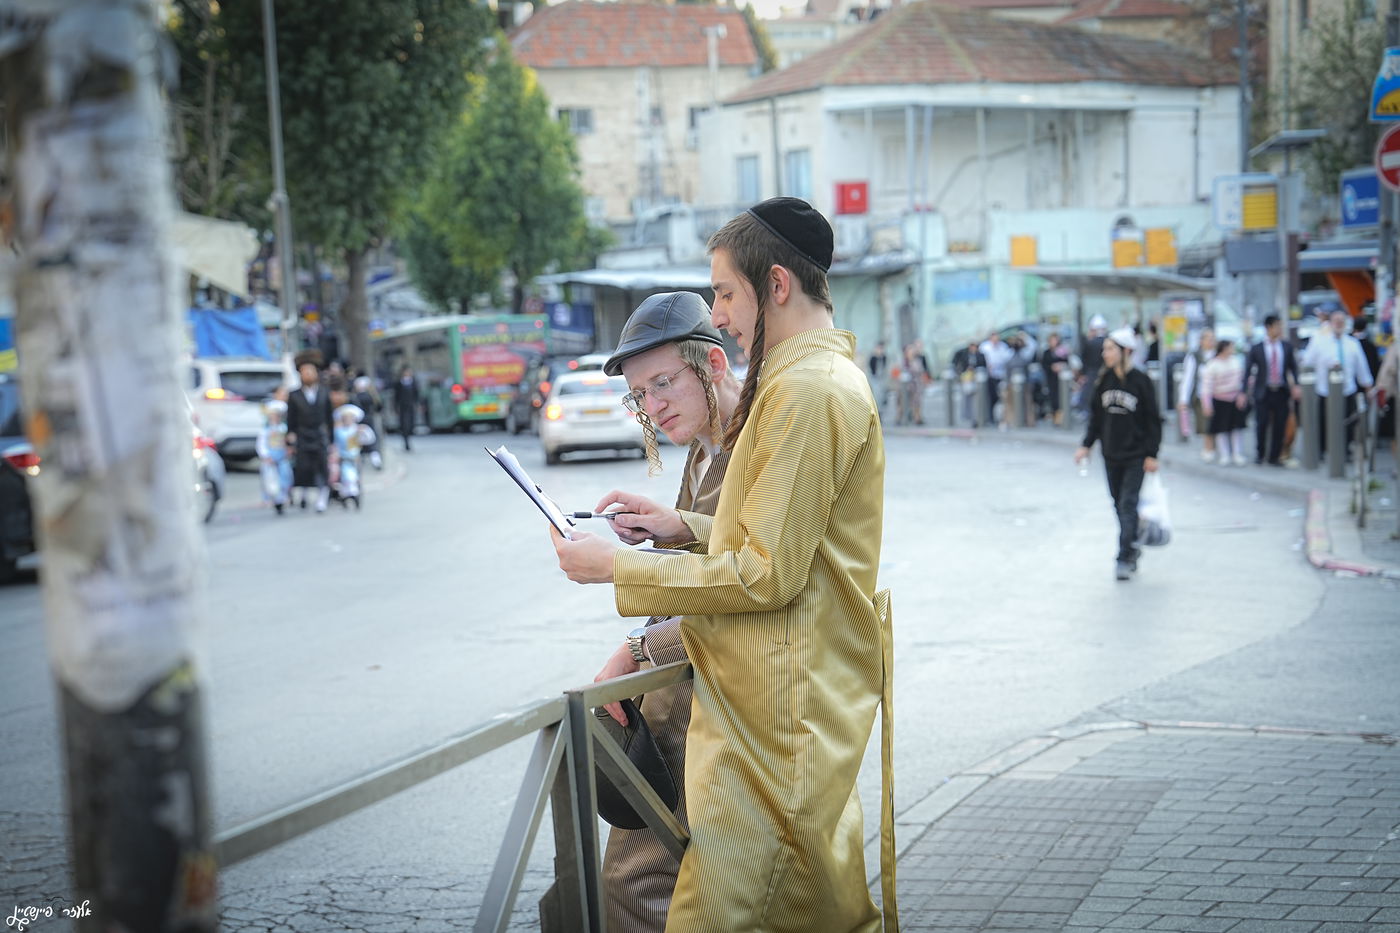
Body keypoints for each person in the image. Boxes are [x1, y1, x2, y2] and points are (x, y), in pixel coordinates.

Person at [551, 197, 896, 933]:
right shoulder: (799, 382)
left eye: (727, 293)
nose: (720, 314)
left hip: (774, 715)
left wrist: (618, 570)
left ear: (776, 285)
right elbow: (779, 546)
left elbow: (765, 573)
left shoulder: (805, 389)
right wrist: (682, 525)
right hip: (771, 707)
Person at [586, 291, 740, 933]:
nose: (652, 406)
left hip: (725, 711)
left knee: (637, 883)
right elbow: (702, 564)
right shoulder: (705, 450)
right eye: (639, 395)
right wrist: (665, 529)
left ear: (713, 362)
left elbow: (743, 588)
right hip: (683, 697)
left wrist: (636, 649)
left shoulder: (750, 448)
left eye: (663, 383)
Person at [1074, 328, 1161, 581]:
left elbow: (1153, 420)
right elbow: (1096, 419)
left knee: (1127, 503)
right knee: (1118, 504)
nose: (1105, 354)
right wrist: (1086, 445)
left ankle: (1123, 557)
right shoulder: (1104, 380)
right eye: (1105, 349)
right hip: (1111, 454)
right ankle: (1132, 545)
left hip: (1136, 455)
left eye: (1110, 349)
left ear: (1125, 351)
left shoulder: (1141, 381)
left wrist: (1152, 454)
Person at [1304, 309, 1375, 460]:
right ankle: (1322, 450)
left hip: (1347, 389)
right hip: (1325, 390)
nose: (1339, 324)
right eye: (1336, 321)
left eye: (1341, 321)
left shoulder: (1352, 343)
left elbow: (1361, 367)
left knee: (1347, 422)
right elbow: (1307, 362)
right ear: (1330, 323)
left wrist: (1368, 386)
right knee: (1324, 421)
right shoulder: (1319, 341)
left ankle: (1345, 451)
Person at [1245, 314, 1300, 466]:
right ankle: (1260, 454)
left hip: (1281, 391)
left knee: (1280, 424)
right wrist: (1244, 391)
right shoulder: (1256, 348)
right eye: (1277, 326)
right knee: (1261, 423)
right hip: (1263, 391)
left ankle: (1274, 456)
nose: (1280, 329)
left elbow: (1293, 368)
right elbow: (1247, 370)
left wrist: (1296, 385)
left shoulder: (1286, 346)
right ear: (1268, 327)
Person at [286, 352, 333, 512]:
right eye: (304, 372)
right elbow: (291, 418)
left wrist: (331, 439)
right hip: (302, 435)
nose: (307, 375)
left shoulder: (324, 392)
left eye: (310, 371)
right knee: (303, 467)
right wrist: (290, 435)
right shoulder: (294, 395)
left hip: (320, 435)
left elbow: (329, 417)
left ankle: (322, 497)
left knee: (322, 466)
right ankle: (304, 494)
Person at [1200, 339, 1249, 466]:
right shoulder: (1213, 364)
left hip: (1235, 399)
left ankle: (1237, 454)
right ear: (1223, 348)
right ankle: (1224, 454)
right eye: (1230, 347)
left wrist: (1242, 395)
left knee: (1236, 428)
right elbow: (1207, 386)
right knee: (1221, 429)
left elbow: (1242, 380)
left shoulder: (1235, 361)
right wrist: (1207, 404)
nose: (1232, 350)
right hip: (1220, 400)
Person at [1176, 327, 1217, 461]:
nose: (1211, 341)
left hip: (1218, 395)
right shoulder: (1194, 356)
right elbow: (1187, 379)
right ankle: (1208, 448)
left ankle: (1217, 448)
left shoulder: (1218, 354)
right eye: (1208, 338)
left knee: (1218, 423)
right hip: (1201, 395)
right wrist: (1183, 399)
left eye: (1212, 338)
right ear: (1201, 340)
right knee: (1206, 424)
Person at [256, 398, 292, 515]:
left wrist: (288, 450)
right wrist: (266, 456)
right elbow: (261, 444)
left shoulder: (283, 429)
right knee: (270, 481)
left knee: (285, 478)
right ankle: (273, 499)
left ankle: (282, 499)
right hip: (270, 459)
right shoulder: (265, 430)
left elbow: (288, 443)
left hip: (282, 458)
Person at [331, 403, 364, 510]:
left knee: (355, 477)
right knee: (345, 477)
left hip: (355, 458)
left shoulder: (357, 429)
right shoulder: (339, 431)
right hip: (343, 458)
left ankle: (354, 495)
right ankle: (345, 495)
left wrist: (362, 433)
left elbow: (368, 440)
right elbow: (335, 444)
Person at [979, 330, 1014, 428]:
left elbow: (1007, 358)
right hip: (990, 376)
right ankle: (990, 417)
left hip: (1001, 375)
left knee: (1002, 398)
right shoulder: (984, 347)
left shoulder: (1003, 346)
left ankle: (1003, 418)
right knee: (991, 397)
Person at [352, 375, 384, 470]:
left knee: (358, 443)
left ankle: (358, 462)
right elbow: (379, 407)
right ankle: (376, 461)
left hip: (359, 422)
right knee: (372, 442)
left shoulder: (355, 397)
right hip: (369, 421)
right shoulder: (371, 396)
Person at [952, 339, 985, 426]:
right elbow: (956, 363)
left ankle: (977, 417)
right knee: (967, 398)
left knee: (977, 400)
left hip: (977, 379)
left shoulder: (980, 355)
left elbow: (983, 365)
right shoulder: (964, 354)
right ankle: (967, 415)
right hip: (967, 379)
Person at [1040, 331, 1070, 426]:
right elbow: (1044, 364)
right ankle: (1055, 416)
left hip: (1061, 379)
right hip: (1051, 378)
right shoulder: (1046, 352)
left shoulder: (1062, 350)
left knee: (1062, 397)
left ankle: (1062, 417)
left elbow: (1066, 361)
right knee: (1053, 398)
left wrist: (1060, 366)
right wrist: (1051, 367)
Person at [393, 366, 419, 452]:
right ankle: (406, 442)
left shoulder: (413, 382)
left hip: (411, 406)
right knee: (404, 425)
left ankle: (408, 436)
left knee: (411, 424)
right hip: (402, 407)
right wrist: (396, 407)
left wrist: (417, 404)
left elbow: (416, 394)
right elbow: (396, 396)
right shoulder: (399, 383)